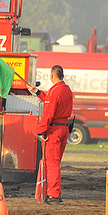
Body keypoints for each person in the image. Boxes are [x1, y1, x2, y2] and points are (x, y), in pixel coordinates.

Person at [26, 65, 73, 205]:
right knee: (56, 162)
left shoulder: (54, 92)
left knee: (51, 163)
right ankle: (55, 192)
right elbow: (51, 100)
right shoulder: (66, 90)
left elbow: (48, 113)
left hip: (54, 131)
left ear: (52, 76)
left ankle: (53, 194)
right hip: (64, 128)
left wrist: (40, 130)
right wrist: (37, 92)